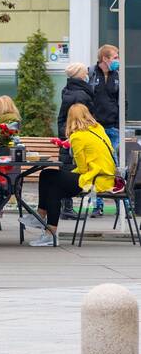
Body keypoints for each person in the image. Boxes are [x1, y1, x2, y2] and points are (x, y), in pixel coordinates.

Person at [22, 103, 117, 246]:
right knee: (47, 175)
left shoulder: (78, 137)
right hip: (107, 177)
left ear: (70, 119)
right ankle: (43, 221)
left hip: (95, 179)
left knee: (53, 183)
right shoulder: (98, 129)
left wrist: (67, 174)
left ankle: (49, 231)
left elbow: (82, 167)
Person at [57, 63, 96, 218]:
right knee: (74, 171)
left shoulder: (69, 90)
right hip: (77, 139)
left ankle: (66, 207)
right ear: (80, 74)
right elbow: (81, 118)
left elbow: (62, 119)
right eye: (85, 72)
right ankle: (67, 208)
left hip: (69, 137)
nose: (88, 74)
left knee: (68, 170)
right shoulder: (80, 95)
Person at [88, 45, 121, 216]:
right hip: (96, 127)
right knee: (96, 165)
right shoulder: (92, 74)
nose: (118, 61)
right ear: (105, 59)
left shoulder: (118, 76)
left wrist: (118, 123)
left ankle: (121, 204)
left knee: (113, 164)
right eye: (115, 57)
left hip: (113, 127)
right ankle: (97, 204)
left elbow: (123, 100)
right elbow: (88, 98)